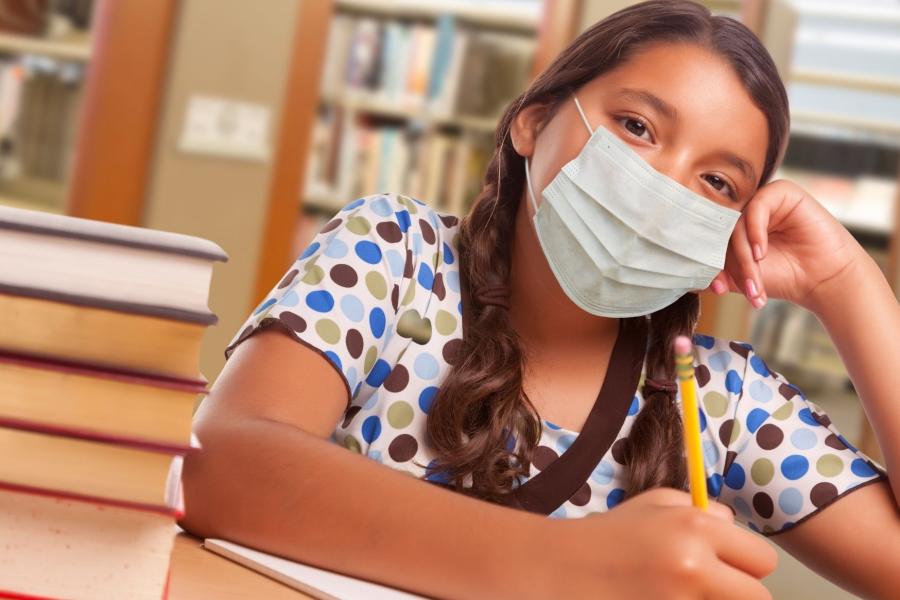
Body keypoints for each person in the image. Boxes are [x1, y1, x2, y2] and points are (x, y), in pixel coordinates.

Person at [179, 1, 900, 598]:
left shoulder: (720, 399)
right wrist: (566, 564)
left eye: (718, 184)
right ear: (535, 120)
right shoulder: (393, 254)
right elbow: (223, 462)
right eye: (638, 127)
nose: (665, 191)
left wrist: (848, 286)